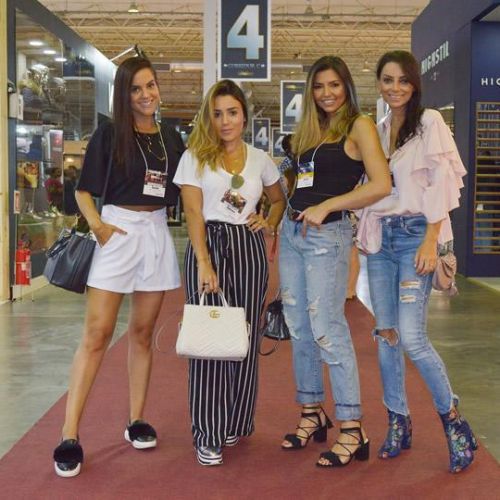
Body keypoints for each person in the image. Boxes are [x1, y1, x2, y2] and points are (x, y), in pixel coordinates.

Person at [52, 57, 185, 477]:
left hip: (156, 233)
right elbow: (84, 191)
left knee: (142, 333)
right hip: (116, 230)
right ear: (124, 95)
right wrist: (98, 226)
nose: (146, 95)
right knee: (97, 334)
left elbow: (190, 187)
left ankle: (136, 419)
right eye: (136, 89)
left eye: (151, 86)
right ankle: (69, 435)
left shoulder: (170, 137)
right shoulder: (109, 134)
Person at [356, 50, 475, 473]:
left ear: (415, 83)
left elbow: (442, 184)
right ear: (379, 83)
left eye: (403, 80)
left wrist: (430, 241)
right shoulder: (378, 130)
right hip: (381, 242)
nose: (395, 88)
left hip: (415, 238)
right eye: (388, 80)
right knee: (387, 334)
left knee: (412, 337)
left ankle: (453, 422)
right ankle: (398, 421)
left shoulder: (430, 123)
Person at [279, 55, 391, 467]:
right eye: (319, 86)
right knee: (299, 326)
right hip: (292, 232)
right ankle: (312, 412)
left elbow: (381, 184)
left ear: (346, 86)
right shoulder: (310, 129)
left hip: (328, 235)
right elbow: (297, 180)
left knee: (327, 326)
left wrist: (328, 205)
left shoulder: (358, 125)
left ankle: (352, 426)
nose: (326, 93)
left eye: (334, 85)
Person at [173, 79, 285, 466]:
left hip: (249, 250)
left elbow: (278, 199)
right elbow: (192, 212)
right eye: (217, 113)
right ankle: (208, 432)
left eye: (232, 112)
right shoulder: (194, 157)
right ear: (209, 118)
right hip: (208, 246)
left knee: (244, 336)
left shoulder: (260, 159)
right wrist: (204, 262)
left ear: (244, 116)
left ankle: (235, 420)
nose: (225, 121)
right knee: (209, 339)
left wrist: (268, 221)